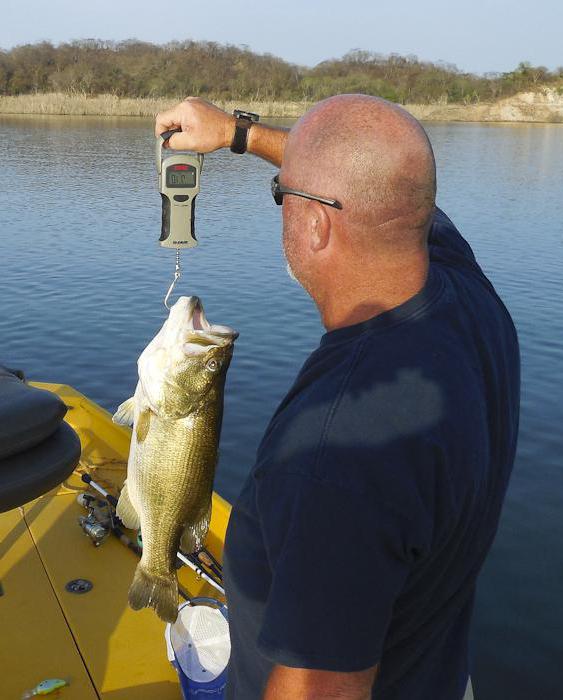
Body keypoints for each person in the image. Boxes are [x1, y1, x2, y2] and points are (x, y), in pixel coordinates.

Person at [156, 95, 520, 700]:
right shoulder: (467, 296)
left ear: (316, 225)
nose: (281, 207)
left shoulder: (336, 451)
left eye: (282, 195)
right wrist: (235, 135)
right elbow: (379, 178)